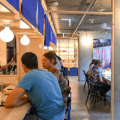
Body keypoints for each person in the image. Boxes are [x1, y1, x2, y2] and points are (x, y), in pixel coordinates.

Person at [5, 52, 65, 120]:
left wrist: (27, 99)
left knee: (16, 117)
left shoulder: (29, 75)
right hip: (60, 115)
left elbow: (9, 103)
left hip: (47, 118)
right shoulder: (49, 74)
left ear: (24, 66)